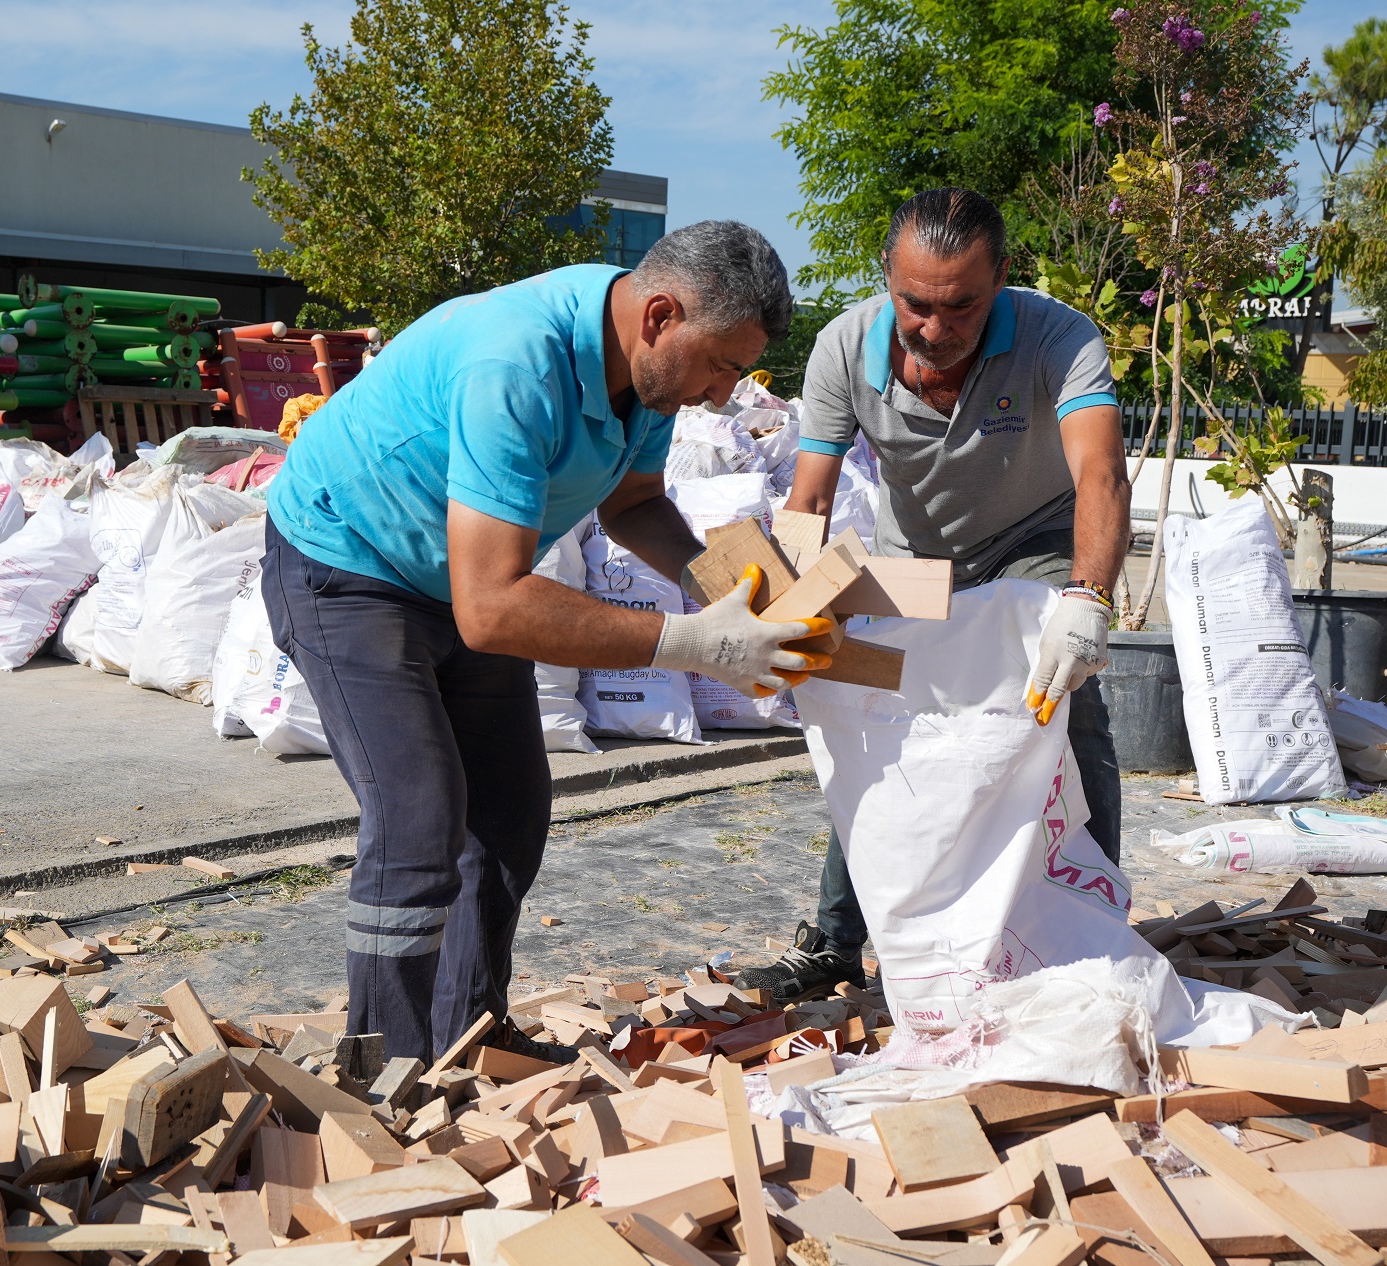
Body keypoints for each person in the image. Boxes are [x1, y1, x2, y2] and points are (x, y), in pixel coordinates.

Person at [264, 221, 829, 1063]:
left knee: (508, 816)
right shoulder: (517, 365)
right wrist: (695, 645)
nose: (722, 393)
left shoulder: (646, 375)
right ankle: (380, 1069)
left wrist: (737, 596)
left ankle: (469, 1044)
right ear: (659, 315)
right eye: (720, 364)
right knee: (419, 815)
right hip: (348, 567)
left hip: (456, 579)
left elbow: (633, 505)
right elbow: (492, 610)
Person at [736, 188, 1132, 1005]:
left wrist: (1088, 599)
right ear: (887, 277)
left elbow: (1100, 473)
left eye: (962, 306)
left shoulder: (1061, 338)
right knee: (881, 734)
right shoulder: (845, 346)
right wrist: (795, 603)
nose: (935, 327)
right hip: (913, 560)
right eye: (915, 303)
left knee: (1061, 708)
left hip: (1039, 545)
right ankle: (838, 945)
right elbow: (808, 499)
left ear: (1002, 280)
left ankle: (1093, 936)